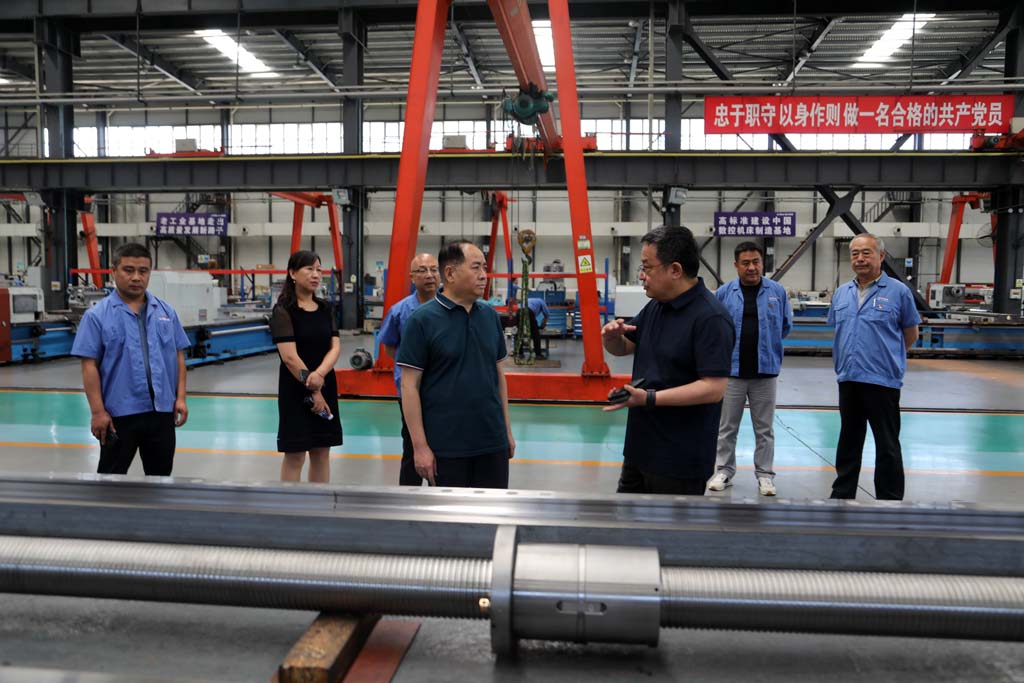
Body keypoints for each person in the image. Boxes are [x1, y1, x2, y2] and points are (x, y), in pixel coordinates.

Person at [602, 225, 734, 495]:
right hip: (640, 449)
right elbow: (626, 346)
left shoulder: (711, 318)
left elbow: (714, 388)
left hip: (679, 459)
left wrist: (649, 398)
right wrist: (611, 338)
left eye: (647, 267)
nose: (642, 275)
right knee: (626, 519)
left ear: (675, 270)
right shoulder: (656, 306)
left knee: (669, 523)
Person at [396, 240, 515, 488]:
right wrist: (420, 447)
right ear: (450, 273)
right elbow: (409, 386)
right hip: (445, 448)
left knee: (492, 510)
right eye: (476, 267)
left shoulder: (490, 317)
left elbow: (498, 377)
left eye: (484, 267)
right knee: (449, 514)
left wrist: (506, 431)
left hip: (491, 443)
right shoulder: (422, 320)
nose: (484, 275)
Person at [71, 242, 191, 475]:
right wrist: (98, 412)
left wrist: (181, 398)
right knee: (111, 479)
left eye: (143, 271)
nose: (136, 277)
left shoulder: (166, 312)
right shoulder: (97, 316)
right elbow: (89, 367)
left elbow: (178, 356)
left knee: (160, 478)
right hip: (119, 415)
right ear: (113, 271)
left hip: (161, 412)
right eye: (128, 270)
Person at [828, 234, 920, 501]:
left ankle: (889, 499)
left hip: (882, 381)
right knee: (849, 441)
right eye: (855, 253)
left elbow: (910, 334)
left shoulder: (898, 292)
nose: (860, 258)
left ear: (881, 256)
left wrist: (886, 358)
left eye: (866, 252)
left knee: (887, 444)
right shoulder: (842, 293)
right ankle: (842, 494)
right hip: (848, 378)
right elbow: (839, 330)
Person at [708, 242, 793, 496]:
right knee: (727, 427)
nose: (752, 267)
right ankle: (724, 470)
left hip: (765, 372)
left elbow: (785, 326)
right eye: (745, 263)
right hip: (732, 373)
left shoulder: (777, 292)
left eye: (756, 262)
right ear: (736, 265)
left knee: (764, 429)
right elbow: (715, 328)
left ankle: (765, 475)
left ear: (762, 263)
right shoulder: (724, 293)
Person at [270, 250, 343, 483]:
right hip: (296, 389)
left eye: (319, 270)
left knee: (322, 451)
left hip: (324, 383)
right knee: (296, 454)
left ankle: (318, 502)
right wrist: (313, 388)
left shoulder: (326, 308)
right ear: (292, 273)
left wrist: (320, 375)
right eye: (309, 269)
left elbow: (335, 347)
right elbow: (289, 357)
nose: (316, 275)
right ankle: (291, 503)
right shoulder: (283, 311)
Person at [379, 253, 440, 485]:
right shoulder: (399, 311)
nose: (429, 275)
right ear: (412, 277)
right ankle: (408, 496)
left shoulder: (451, 308)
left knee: (443, 449)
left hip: (442, 391)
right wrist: (413, 368)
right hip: (410, 391)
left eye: (434, 270)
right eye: (422, 271)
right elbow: (390, 347)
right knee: (412, 446)